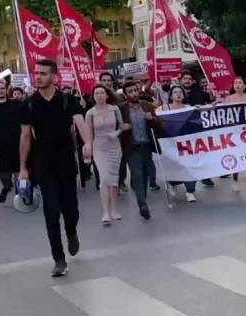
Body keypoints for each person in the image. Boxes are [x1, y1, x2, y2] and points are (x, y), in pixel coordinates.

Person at [19, 59, 93, 278]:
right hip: (43, 164)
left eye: (43, 73)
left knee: (71, 210)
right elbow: (24, 137)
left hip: (66, 163)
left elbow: (80, 123)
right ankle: (59, 260)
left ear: (54, 76)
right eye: (36, 73)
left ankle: (71, 232)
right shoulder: (29, 104)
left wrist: (88, 143)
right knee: (51, 214)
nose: (38, 76)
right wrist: (23, 167)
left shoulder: (66, 100)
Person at [86, 83, 129, 225]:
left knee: (114, 179)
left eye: (101, 93)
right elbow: (89, 134)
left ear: (107, 95)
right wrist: (89, 151)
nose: (99, 96)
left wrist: (116, 132)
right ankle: (105, 212)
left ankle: (114, 210)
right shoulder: (90, 113)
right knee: (104, 179)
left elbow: (122, 126)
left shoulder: (114, 109)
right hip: (99, 148)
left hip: (114, 146)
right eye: (96, 93)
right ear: (93, 97)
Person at [119, 81, 162, 220]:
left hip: (146, 145)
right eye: (130, 91)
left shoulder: (146, 105)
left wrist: (152, 118)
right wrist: (122, 127)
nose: (134, 93)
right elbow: (116, 125)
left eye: (135, 90)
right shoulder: (122, 109)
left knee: (145, 175)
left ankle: (141, 194)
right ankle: (142, 204)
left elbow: (160, 121)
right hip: (131, 147)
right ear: (126, 94)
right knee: (137, 174)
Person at [161, 85, 198, 203]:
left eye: (180, 92)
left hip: (187, 143)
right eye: (175, 92)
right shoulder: (164, 108)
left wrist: (198, 110)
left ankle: (190, 191)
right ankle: (172, 182)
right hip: (171, 143)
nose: (178, 94)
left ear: (183, 95)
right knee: (175, 166)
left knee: (190, 166)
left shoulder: (188, 108)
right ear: (171, 96)